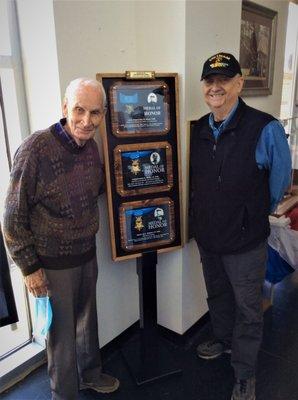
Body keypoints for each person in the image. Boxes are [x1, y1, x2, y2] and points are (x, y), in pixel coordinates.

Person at [3, 78, 119, 400]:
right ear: (64, 107)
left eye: (95, 113)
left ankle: (90, 376)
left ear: (103, 114)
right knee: (61, 338)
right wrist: (29, 268)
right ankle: (63, 395)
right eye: (79, 110)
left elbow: (92, 191)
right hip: (52, 264)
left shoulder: (91, 147)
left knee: (87, 324)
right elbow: (12, 216)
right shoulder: (35, 148)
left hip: (86, 254)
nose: (86, 121)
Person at [190, 52, 291, 400]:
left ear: (239, 83)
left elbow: (279, 182)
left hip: (246, 241)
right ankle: (224, 342)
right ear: (203, 86)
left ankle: (245, 374)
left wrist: (255, 211)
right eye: (209, 81)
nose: (215, 87)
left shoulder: (265, 127)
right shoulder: (199, 129)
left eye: (224, 79)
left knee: (249, 309)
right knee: (218, 296)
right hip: (208, 237)